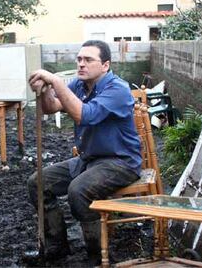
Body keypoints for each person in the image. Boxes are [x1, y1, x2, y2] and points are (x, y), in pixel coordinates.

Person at [25, 40, 142, 265]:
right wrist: (46, 91)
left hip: (120, 162)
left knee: (78, 191)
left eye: (88, 60)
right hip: (89, 159)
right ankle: (56, 247)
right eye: (79, 59)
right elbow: (52, 107)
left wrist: (56, 81)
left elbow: (83, 115)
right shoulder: (80, 86)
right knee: (38, 182)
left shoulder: (117, 89)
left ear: (105, 65)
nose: (81, 64)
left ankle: (97, 255)